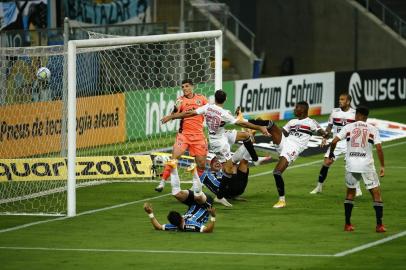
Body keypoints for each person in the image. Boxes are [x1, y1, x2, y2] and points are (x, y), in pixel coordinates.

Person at [161, 90, 270, 176]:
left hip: (222, 134)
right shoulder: (224, 113)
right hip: (218, 141)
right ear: (225, 99)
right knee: (229, 170)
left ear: (215, 98)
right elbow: (243, 124)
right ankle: (223, 193)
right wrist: (260, 127)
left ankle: (254, 158)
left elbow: (190, 113)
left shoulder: (208, 107)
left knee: (246, 136)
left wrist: (171, 116)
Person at [248, 101, 327, 208]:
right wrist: (270, 132)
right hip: (284, 143)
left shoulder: (311, 122)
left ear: (303, 110)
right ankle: (245, 121)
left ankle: (282, 201)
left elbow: (322, 132)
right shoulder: (292, 122)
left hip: (293, 148)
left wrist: (324, 137)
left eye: (296, 108)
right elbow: (282, 133)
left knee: (276, 172)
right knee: (269, 123)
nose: (294, 110)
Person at [328, 106, 386, 233]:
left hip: (351, 164)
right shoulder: (372, 129)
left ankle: (347, 224)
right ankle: (379, 225)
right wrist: (382, 166)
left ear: (357, 115)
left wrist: (331, 154)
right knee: (376, 193)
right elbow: (379, 148)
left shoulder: (348, 127)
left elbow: (333, 141)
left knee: (350, 193)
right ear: (366, 117)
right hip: (367, 165)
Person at [155, 79, 208, 193]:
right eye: (183, 87)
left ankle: (195, 186)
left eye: (187, 86)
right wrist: (173, 112)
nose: (184, 88)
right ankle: (162, 182)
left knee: (201, 164)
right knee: (174, 158)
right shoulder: (180, 100)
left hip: (198, 136)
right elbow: (175, 113)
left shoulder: (202, 99)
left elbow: (208, 111)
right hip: (184, 135)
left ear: (192, 87)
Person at [144, 158, 217, 233]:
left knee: (177, 194)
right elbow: (208, 230)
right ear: (181, 218)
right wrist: (213, 216)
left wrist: (150, 213)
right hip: (205, 205)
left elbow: (158, 227)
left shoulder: (174, 225)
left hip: (192, 204)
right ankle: (194, 171)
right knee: (198, 197)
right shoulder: (191, 226)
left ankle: (173, 167)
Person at [310, 93, 362, 196]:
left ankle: (357, 188)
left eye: (342, 100)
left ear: (348, 102)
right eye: (339, 99)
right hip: (336, 142)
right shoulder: (335, 112)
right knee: (326, 163)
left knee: (353, 166)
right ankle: (319, 187)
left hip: (350, 143)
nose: (340, 101)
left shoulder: (355, 113)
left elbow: (359, 129)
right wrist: (325, 137)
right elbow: (329, 126)